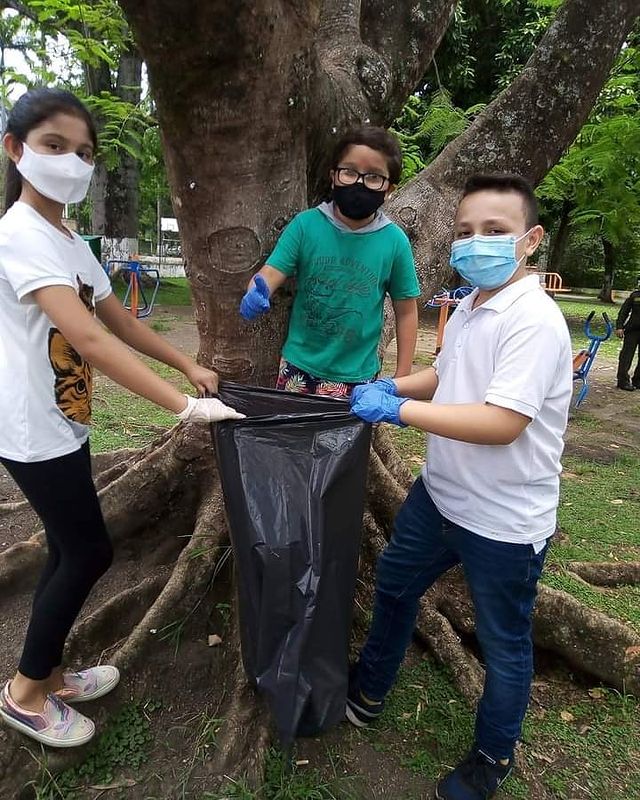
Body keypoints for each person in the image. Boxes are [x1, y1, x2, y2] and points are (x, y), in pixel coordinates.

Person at [0, 88, 244, 748]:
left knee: (67, 546)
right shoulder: (19, 237)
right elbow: (92, 342)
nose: (72, 163)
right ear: (15, 149)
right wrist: (184, 406)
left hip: (64, 424)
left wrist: (185, 364)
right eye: (54, 146)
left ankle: (46, 674)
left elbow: (121, 323)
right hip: (30, 429)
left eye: (84, 152)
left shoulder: (70, 242)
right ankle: (25, 694)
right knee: (87, 551)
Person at [347, 174, 573, 800]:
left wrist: (398, 413)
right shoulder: (474, 304)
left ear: (529, 240)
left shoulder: (534, 320)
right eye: (466, 232)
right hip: (439, 496)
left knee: (504, 645)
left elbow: (503, 423)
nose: (477, 243)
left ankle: (491, 758)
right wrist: (398, 385)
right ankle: (368, 689)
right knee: (393, 588)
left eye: (494, 232)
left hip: (504, 521)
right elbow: (448, 374)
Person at [239, 126, 420, 397]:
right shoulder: (305, 226)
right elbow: (269, 274)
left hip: (359, 377)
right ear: (333, 176)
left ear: (389, 189)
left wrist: (402, 379)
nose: (359, 182)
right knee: (292, 437)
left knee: (347, 440)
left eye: (373, 177)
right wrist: (255, 291)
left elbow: (406, 312)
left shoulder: (394, 242)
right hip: (298, 368)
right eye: (349, 171)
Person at [615, 276, 640, 391]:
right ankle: (623, 381)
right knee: (626, 356)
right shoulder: (634, 296)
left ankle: (638, 381)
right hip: (632, 330)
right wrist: (619, 326)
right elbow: (624, 311)